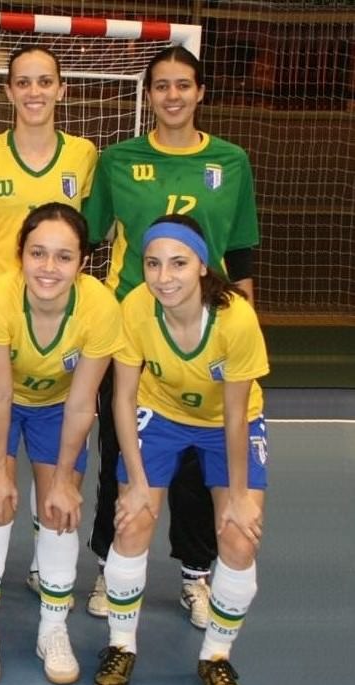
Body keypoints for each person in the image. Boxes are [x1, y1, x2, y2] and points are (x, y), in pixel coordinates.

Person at [83, 45, 260, 626]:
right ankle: (111, 565)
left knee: (196, 464)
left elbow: (240, 253)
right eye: (162, 85)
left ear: (200, 91)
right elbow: (87, 237)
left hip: (205, 328)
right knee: (120, 453)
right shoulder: (118, 159)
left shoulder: (231, 161)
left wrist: (243, 325)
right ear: (149, 94)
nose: (173, 95)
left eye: (183, 84)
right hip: (133, 329)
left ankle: (195, 574)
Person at [93, 215, 268, 685]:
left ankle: (216, 656)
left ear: (203, 266)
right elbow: (123, 398)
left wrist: (238, 497)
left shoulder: (236, 318)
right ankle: (121, 646)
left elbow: (235, 416)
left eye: (178, 264)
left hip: (226, 422)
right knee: (132, 521)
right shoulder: (136, 307)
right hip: (161, 414)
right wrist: (136, 482)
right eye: (153, 264)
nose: (164, 277)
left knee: (238, 535)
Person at [0, 203, 122, 685]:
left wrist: (66, 480)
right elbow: (0, 394)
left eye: (63, 256)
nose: (49, 267)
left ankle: (53, 630)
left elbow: (82, 403)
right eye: (38, 253)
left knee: (58, 508)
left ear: (82, 262)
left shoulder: (100, 308)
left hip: (58, 404)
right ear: (21, 255)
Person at [0, 45, 98, 597]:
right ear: (8, 91)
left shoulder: (85, 155)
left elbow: (91, 234)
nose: (35, 92)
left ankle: (51, 572)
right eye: (23, 82)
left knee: (56, 483)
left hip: (55, 336)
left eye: (46, 81)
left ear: (62, 89)